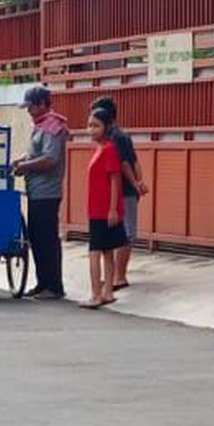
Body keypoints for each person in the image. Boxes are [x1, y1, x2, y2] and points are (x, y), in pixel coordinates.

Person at [13, 85, 68, 299]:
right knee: (36, 238)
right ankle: (42, 282)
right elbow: (35, 153)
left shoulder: (53, 127)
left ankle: (53, 286)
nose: (29, 111)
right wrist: (21, 160)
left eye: (31, 107)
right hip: (36, 192)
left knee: (47, 239)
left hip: (47, 192)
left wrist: (26, 167)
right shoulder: (40, 126)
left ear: (43, 104)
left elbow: (50, 159)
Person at [92, 96, 148, 288]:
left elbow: (126, 163)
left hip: (124, 191)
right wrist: (139, 182)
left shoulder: (116, 137)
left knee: (125, 233)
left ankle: (120, 276)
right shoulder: (113, 137)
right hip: (121, 190)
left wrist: (135, 184)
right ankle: (114, 276)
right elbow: (135, 161)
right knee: (119, 233)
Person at [84, 106, 124, 308]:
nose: (91, 130)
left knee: (95, 251)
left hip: (103, 210)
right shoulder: (100, 149)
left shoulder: (109, 149)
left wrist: (113, 208)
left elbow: (115, 180)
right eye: (90, 125)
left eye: (96, 126)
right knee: (107, 251)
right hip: (97, 208)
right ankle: (107, 291)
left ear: (106, 127)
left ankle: (96, 294)